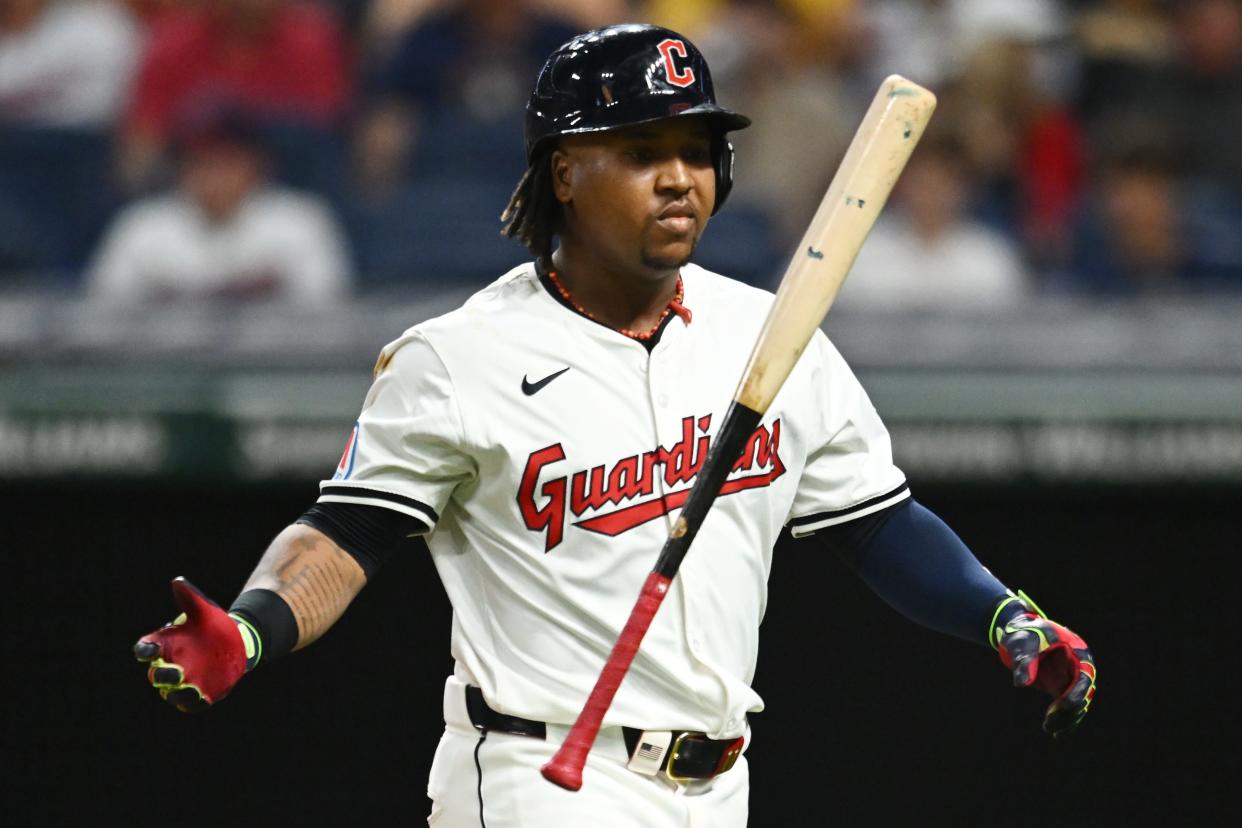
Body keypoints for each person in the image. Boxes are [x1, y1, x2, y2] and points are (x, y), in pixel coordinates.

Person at [134, 24, 1096, 827]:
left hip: (721, 784)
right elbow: (347, 531)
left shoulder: (771, 331)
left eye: (695, 151)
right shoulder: (459, 356)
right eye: (641, 153)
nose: (680, 178)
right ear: (562, 172)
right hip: (539, 771)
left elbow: (876, 524)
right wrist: (252, 630)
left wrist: (1000, 612)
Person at [87, 105, 353, 304]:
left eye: (228, 163)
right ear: (180, 169)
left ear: (257, 167)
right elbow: (100, 320)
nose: (215, 178)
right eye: (201, 163)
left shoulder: (300, 223)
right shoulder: (141, 228)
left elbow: (328, 316)